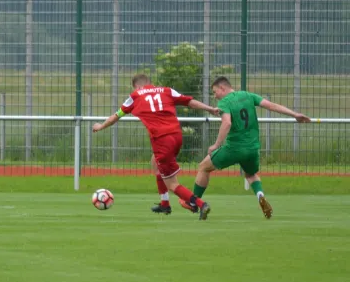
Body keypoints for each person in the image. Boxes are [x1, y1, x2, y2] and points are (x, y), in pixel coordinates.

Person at [92, 73, 220, 220]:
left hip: (162, 140)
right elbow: (189, 101)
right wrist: (210, 109)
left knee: (172, 184)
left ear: (138, 86)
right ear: (150, 83)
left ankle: (201, 204)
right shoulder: (167, 91)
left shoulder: (135, 96)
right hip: (176, 136)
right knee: (155, 161)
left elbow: (117, 115)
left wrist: (100, 126)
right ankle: (164, 203)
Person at [191, 76, 311, 219]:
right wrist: (294, 114)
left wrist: (216, 144)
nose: (215, 96)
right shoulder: (248, 95)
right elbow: (271, 105)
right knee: (251, 174)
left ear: (223, 88)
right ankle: (260, 195)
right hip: (252, 149)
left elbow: (227, 123)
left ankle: (195, 203)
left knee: (204, 167)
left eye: (215, 92)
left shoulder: (225, 102)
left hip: (233, 148)